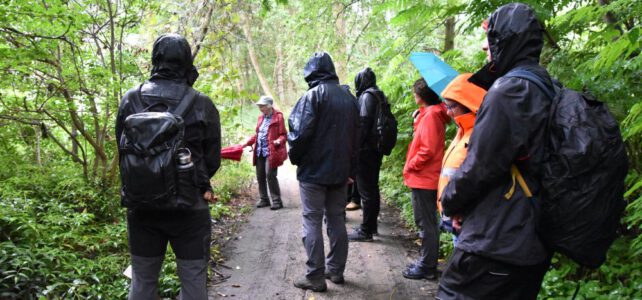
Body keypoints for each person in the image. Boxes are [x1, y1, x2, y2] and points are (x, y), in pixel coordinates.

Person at [437, 3, 554, 299]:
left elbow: (480, 166)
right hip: (530, 237)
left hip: (497, 242)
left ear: (505, 40)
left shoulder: (510, 91)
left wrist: (450, 203)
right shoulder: (546, 87)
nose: (483, 47)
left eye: (489, 39)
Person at [116, 34, 221, 300]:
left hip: (142, 208)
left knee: (142, 281)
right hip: (190, 209)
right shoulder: (202, 103)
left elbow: (122, 149)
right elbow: (212, 160)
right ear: (187, 61)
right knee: (193, 282)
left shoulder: (130, 100)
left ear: (155, 59)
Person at [288, 52, 359, 292]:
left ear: (311, 72)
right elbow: (356, 138)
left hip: (314, 173)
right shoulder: (349, 98)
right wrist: (352, 169)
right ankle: (336, 271)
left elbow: (298, 135)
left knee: (312, 219)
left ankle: (315, 276)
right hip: (340, 171)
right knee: (336, 218)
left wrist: (296, 160)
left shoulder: (311, 97)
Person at [401, 78, 449, 280]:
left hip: (424, 176)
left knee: (426, 223)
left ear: (422, 96)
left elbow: (427, 150)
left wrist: (411, 165)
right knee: (426, 222)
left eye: (415, 92)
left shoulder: (431, 116)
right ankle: (427, 263)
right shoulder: (429, 114)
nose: (413, 96)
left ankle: (427, 266)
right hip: (425, 176)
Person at [436, 73, 487, 246]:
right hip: (455, 213)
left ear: (467, 105)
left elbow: (476, 178)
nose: (448, 112)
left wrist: (460, 210)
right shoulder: (463, 131)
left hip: (465, 217)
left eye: (451, 106)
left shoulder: (478, 135)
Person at [348, 67, 386, 241]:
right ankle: (372, 227)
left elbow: (362, 125)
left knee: (367, 192)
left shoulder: (366, 97)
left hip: (366, 150)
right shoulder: (379, 94)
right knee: (372, 189)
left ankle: (366, 231)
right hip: (376, 149)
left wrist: (354, 148)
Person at [243, 96, 287, 210]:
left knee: (270, 175)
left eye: (262, 106)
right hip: (259, 150)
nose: (260, 108)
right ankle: (264, 199)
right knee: (260, 175)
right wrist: (247, 142)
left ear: (269, 106)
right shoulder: (260, 118)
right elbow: (257, 134)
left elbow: (284, 135)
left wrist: (279, 140)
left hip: (271, 151)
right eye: (259, 106)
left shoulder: (278, 117)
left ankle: (277, 201)